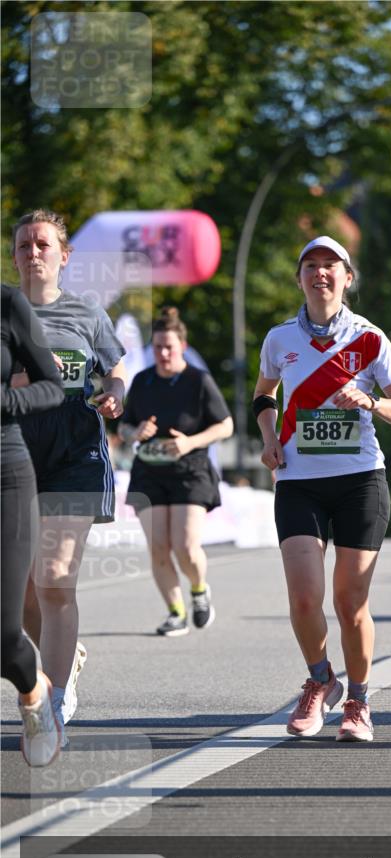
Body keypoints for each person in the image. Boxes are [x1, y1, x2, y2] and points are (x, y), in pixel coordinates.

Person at [253, 235, 391, 742]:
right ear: (299, 278)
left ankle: (359, 701)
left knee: (349, 602)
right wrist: (268, 439)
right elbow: (263, 393)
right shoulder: (280, 339)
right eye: (311, 266)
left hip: (360, 481)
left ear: (347, 278)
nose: (320, 273)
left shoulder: (370, 339)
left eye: (331, 266)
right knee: (305, 599)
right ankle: (320, 680)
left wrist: (368, 404)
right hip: (299, 481)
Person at [11, 208, 126, 745]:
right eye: (23, 246)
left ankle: (51, 706)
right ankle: (68, 653)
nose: (32, 253)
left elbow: (115, 368)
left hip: (74, 453)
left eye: (42, 244)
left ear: (63, 255)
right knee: (26, 594)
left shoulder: (87, 313)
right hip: (13, 455)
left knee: (55, 578)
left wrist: (116, 394)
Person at [119, 306, 233, 636]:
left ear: (181, 346)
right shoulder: (142, 381)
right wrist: (135, 432)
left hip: (190, 469)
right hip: (150, 471)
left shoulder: (199, 381)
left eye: (169, 346)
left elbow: (225, 425)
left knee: (184, 545)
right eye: (157, 347)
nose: (163, 353)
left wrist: (190, 442)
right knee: (157, 547)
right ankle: (175, 612)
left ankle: (198, 590)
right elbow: (125, 428)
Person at [1, 284, 65, 765]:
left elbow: (51, 384)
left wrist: (5, 402)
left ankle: (33, 694)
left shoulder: (8, 304)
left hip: (6, 473)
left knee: (4, 635)